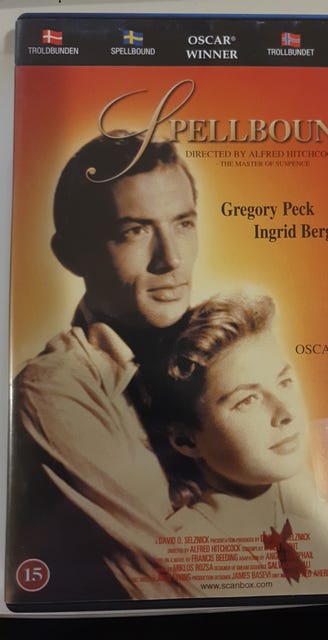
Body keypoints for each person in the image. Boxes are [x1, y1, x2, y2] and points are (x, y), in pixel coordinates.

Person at [6, 132, 205, 603]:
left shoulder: (215, 350)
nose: (172, 259)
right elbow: (175, 587)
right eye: (134, 231)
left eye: (183, 224)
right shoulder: (53, 389)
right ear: (71, 254)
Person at [122, 290, 328, 598]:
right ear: (186, 439)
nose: (285, 413)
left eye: (284, 382)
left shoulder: (316, 524)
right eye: (247, 400)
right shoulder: (181, 554)